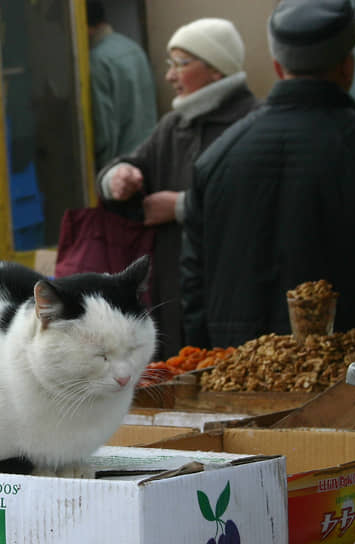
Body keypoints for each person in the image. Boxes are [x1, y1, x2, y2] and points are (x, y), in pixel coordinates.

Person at [180, 0, 355, 350]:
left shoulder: (217, 156)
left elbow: (193, 291)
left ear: (278, 67)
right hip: (354, 382)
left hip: (239, 377)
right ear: (347, 68)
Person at [96, 17, 257, 358]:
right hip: (174, 295)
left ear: (216, 70)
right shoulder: (173, 126)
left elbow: (259, 205)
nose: (169, 76)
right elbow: (134, 164)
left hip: (236, 296)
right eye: (170, 64)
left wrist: (183, 206)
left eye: (180, 64)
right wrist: (117, 177)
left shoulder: (253, 123)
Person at [87, 1, 158, 170]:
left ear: (84, 27)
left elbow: (103, 132)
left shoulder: (97, 60)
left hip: (119, 172)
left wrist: (100, 175)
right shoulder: (132, 47)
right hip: (148, 159)